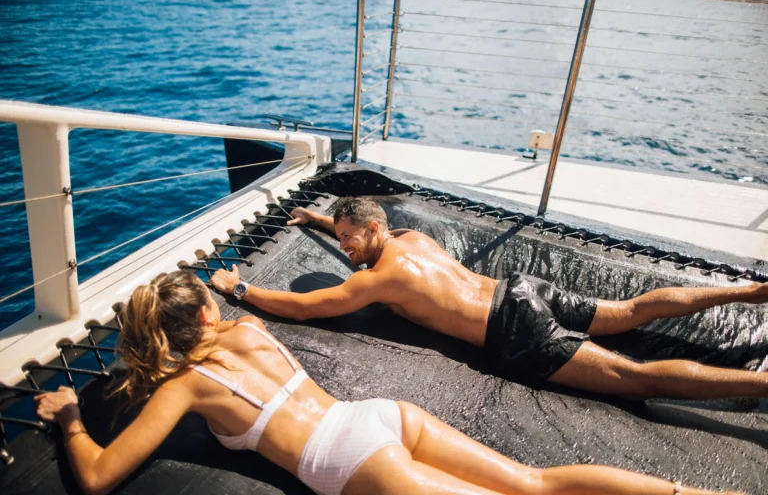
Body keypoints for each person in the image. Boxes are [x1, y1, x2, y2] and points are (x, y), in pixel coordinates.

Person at [34, 271, 740, 495]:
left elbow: (97, 479)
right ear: (210, 311)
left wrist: (70, 417)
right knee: (534, 483)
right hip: (379, 417)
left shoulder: (184, 386)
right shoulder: (246, 328)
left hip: (346, 461)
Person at [210, 197, 768, 400]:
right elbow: (358, 230)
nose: (347, 249)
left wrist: (240, 288)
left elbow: (305, 308)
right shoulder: (410, 238)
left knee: (635, 380)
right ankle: (752, 291)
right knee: (633, 310)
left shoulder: (375, 279)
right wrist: (319, 219)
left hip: (515, 330)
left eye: (350, 239)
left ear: (373, 233)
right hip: (522, 290)